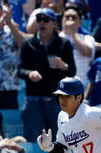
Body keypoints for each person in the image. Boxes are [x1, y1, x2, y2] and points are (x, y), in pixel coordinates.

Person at [18, 7, 75, 142]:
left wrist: (63, 66)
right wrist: (30, 73)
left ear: (54, 23)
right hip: (33, 101)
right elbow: (20, 70)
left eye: (46, 20)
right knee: (33, 141)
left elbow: (72, 71)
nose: (42, 23)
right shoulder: (28, 43)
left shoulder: (64, 44)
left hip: (57, 102)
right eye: (39, 19)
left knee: (60, 141)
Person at [59, 3, 95, 87]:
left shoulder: (88, 38)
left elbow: (87, 53)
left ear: (80, 22)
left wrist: (73, 33)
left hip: (80, 86)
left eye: (73, 17)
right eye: (67, 17)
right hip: (61, 85)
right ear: (62, 20)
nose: (70, 20)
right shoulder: (56, 38)